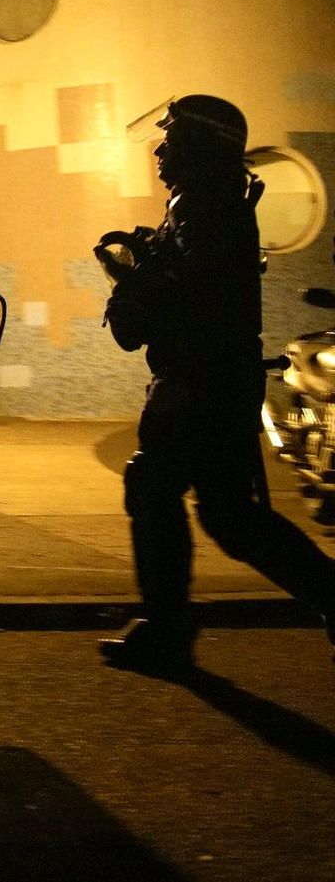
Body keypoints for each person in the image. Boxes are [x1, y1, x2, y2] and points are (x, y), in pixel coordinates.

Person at [98, 94, 335, 672]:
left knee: (162, 490)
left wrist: (136, 277)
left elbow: (195, 305)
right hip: (210, 381)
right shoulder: (207, 202)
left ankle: (167, 632)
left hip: (201, 382)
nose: (160, 149)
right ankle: (168, 630)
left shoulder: (207, 208)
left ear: (201, 147)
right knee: (228, 517)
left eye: (174, 138)